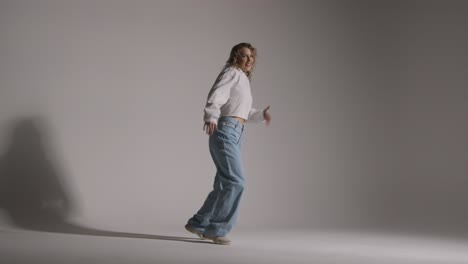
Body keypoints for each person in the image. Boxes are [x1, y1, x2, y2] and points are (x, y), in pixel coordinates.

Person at [185, 43, 271, 245]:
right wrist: (211, 117)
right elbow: (216, 94)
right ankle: (216, 229)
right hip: (225, 130)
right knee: (236, 181)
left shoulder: (243, 79)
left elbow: (243, 111)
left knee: (224, 183)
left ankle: (198, 224)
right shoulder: (232, 72)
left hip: (236, 131)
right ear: (235, 57)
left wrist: (261, 115)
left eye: (252, 57)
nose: (249, 60)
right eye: (245, 56)